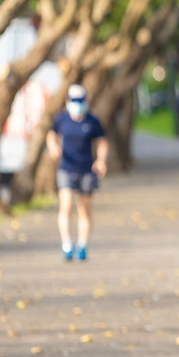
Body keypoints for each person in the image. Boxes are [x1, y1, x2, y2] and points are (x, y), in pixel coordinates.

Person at [46, 84, 108, 261]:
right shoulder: (62, 120)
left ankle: (82, 244)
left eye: (80, 101)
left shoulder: (92, 121)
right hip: (66, 168)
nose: (78, 104)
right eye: (75, 101)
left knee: (84, 210)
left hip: (87, 170)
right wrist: (53, 147)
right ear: (68, 101)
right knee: (66, 206)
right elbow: (51, 134)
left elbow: (102, 142)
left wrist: (101, 161)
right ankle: (67, 243)